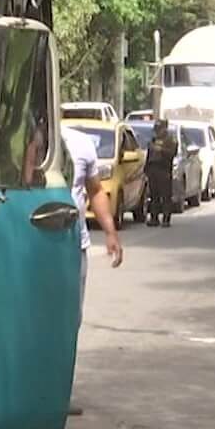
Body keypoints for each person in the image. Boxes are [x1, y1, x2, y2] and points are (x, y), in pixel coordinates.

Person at [60, 123, 123, 324]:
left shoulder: (80, 142)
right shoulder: (22, 142)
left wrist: (110, 232)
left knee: (71, 318)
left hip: (74, 245)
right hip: (33, 243)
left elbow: (95, 190)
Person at [144, 118, 179, 227]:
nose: (157, 131)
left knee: (165, 196)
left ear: (165, 128)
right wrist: (146, 168)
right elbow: (149, 154)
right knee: (154, 195)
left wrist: (160, 150)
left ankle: (166, 219)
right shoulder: (153, 139)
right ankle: (154, 218)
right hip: (153, 169)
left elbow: (172, 153)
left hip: (163, 169)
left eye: (159, 129)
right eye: (156, 129)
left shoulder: (170, 139)